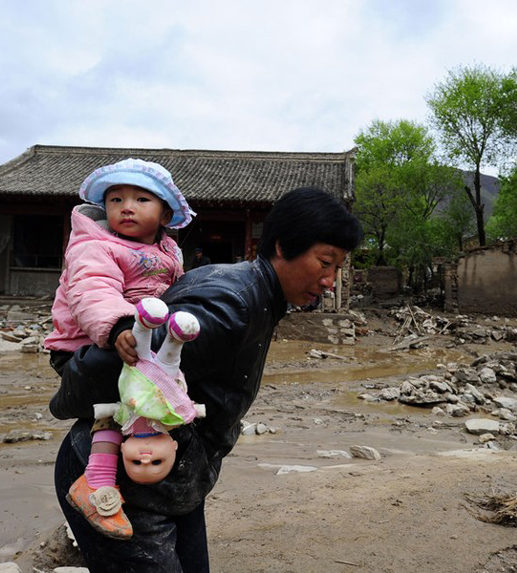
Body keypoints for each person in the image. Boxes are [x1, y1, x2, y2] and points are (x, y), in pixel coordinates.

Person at [50, 186, 363, 572]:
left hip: (173, 474)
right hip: (120, 479)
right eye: (325, 262)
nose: (330, 279)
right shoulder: (231, 305)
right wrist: (62, 403)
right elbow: (124, 361)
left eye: (337, 268)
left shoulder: (258, 295)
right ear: (283, 247)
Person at [45, 157, 196, 540]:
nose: (126, 207)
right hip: (91, 345)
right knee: (116, 410)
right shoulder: (93, 245)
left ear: (165, 216)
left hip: (140, 344)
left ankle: (158, 461)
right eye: (115, 199)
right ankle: (96, 485)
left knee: (159, 399)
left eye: (141, 199)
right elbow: (92, 288)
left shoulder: (169, 252)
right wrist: (117, 326)